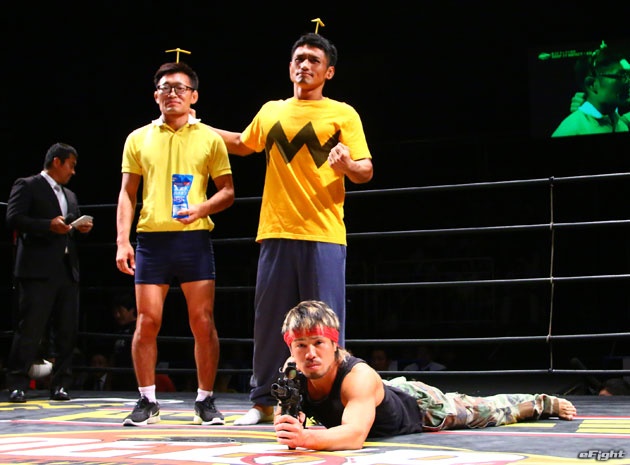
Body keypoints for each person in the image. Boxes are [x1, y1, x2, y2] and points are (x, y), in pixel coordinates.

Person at [210, 31, 373, 425]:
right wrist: (194, 126)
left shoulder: (343, 113)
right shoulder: (271, 111)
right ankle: (263, 402)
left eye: (314, 60)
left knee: (325, 327)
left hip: (323, 233)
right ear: (289, 67)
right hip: (275, 230)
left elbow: (365, 170)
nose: (305, 65)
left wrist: (348, 166)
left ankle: (331, 403)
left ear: (329, 72)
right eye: (300, 58)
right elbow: (242, 143)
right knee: (269, 323)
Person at [273, 300, 577, 451]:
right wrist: (290, 422)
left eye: (318, 343)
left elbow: (353, 436)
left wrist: (306, 437)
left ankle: (540, 402)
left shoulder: (357, 376)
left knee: (486, 410)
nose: (310, 353)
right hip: (383, 394)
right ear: (291, 348)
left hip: (421, 406)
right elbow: (285, 421)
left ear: (333, 344)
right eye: (301, 345)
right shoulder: (292, 373)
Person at [115, 61, 235, 426]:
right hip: (151, 240)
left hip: (193, 239)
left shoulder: (210, 138)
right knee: (146, 321)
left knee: (203, 321)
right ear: (156, 95)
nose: (172, 94)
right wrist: (122, 241)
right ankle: (147, 399)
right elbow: (127, 193)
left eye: (180, 88)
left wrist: (201, 208)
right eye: (166, 88)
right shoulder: (137, 138)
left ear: (193, 96)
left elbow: (227, 191)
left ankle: (205, 399)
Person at [5, 142, 93, 403]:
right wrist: (47, 225)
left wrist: (80, 227)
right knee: (30, 328)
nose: (73, 172)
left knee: (67, 330)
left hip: (66, 270)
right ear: (57, 161)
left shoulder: (70, 195)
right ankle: (17, 383)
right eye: (71, 165)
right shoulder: (28, 185)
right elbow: (14, 218)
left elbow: (68, 225)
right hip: (37, 269)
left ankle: (61, 384)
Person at [552, 43, 630, 137]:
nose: (628, 82)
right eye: (621, 76)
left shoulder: (621, 125)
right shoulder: (571, 130)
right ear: (592, 84)